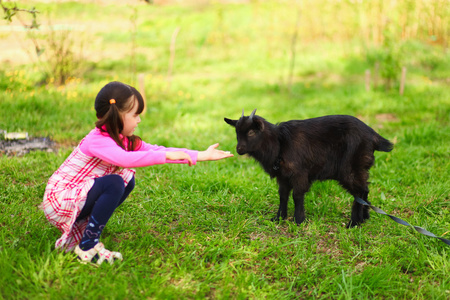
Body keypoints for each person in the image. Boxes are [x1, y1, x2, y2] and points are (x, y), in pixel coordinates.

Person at [42, 81, 233, 265]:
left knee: (127, 179)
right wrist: (168, 155)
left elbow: (155, 150)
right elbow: (126, 160)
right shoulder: (97, 140)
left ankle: (88, 230)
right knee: (115, 182)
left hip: (76, 196)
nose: (139, 120)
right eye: (135, 115)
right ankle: (87, 247)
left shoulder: (123, 139)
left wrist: (201, 155)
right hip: (59, 200)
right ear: (117, 115)